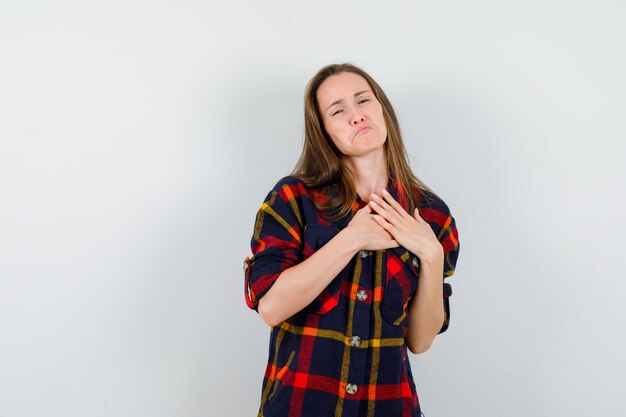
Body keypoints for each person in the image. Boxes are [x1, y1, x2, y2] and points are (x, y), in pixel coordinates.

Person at [243, 63, 460, 417]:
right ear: (324, 132)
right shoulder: (293, 200)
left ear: (382, 110)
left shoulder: (431, 216)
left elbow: (420, 341)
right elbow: (271, 306)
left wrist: (431, 254)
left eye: (363, 101)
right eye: (338, 110)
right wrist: (351, 239)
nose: (356, 116)